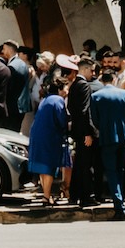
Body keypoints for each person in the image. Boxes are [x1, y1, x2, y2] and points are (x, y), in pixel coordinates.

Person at [89, 64, 125, 220]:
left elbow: (95, 120)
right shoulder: (124, 94)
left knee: (111, 172)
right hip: (123, 137)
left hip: (107, 137)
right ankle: (120, 199)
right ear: (115, 79)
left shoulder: (96, 96)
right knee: (120, 169)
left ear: (102, 79)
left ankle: (119, 205)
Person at [25, 65, 71, 204]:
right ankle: (46, 196)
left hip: (38, 135)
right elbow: (62, 120)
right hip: (49, 137)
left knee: (42, 167)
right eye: (66, 88)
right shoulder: (58, 100)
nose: (67, 91)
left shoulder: (45, 99)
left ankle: (46, 195)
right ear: (60, 89)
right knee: (49, 167)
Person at [67, 55, 100, 205]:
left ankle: (74, 194)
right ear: (85, 69)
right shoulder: (85, 85)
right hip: (84, 131)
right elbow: (84, 111)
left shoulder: (74, 84)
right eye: (92, 70)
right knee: (86, 165)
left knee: (80, 164)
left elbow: (72, 108)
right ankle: (87, 197)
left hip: (77, 130)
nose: (93, 74)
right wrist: (88, 132)